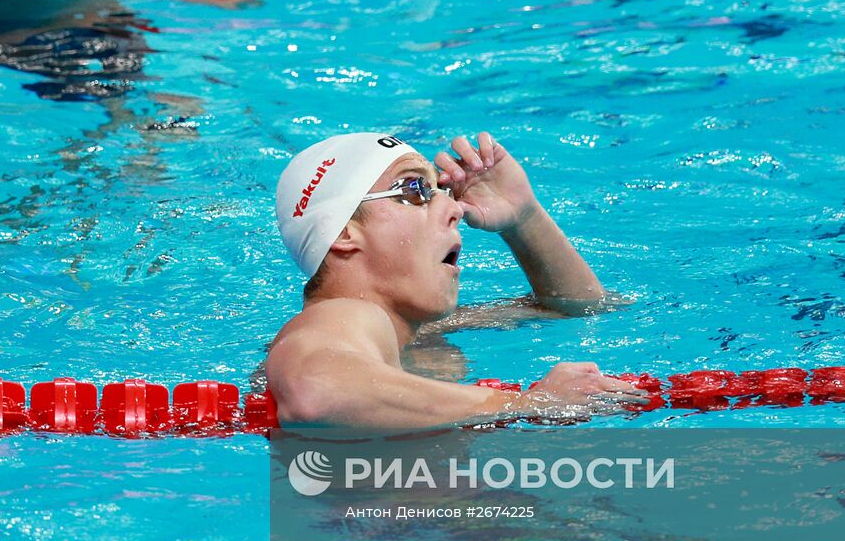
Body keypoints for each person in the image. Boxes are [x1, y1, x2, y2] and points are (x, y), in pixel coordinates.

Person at [265, 132, 646, 428]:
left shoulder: (419, 333)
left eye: (443, 191)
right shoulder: (342, 316)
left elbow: (579, 306)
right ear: (345, 233)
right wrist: (531, 404)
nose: (455, 208)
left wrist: (523, 218)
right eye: (415, 190)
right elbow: (316, 391)